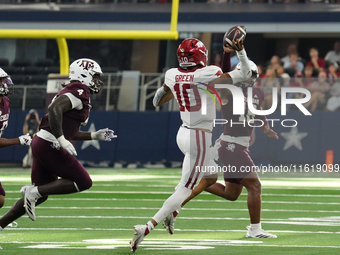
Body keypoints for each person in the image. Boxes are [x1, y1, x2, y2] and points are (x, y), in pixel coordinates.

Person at [130, 37, 253, 252]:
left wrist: (176, 88)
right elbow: (244, 73)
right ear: (200, 56)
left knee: (211, 176)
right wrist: (240, 51)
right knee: (185, 187)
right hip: (199, 137)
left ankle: (174, 212)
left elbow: (157, 100)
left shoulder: (172, 73)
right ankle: (148, 226)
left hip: (183, 133)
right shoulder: (206, 73)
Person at [162, 47, 279, 239]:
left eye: (253, 75)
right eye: (248, 74)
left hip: (239, 146)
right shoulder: (230, 91)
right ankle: (255, 230)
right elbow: (225, 73)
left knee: (232, 194)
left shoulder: (258, 92)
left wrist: (265, 127)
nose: (251, 78)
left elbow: (258, 110)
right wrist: (226, 54)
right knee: (255, 186)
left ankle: (193, 187)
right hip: (231, 145)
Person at [0, 58, 117, 232]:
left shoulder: (75, 91)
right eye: (95, 76)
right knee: (84, 182)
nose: (97, 81)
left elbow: (69, 130)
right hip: (49, 144)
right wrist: (61, 139)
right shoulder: (79, 90)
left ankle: (1, 225)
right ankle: (32, 192)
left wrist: (94, 135)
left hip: (42, 142)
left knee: (40, 195)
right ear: (83, 75)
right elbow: (55, 109)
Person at [0, 67, 31, 213]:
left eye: (4, 80)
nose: (5, 83)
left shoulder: (5, 101)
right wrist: (18, 140)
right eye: (1, 81)